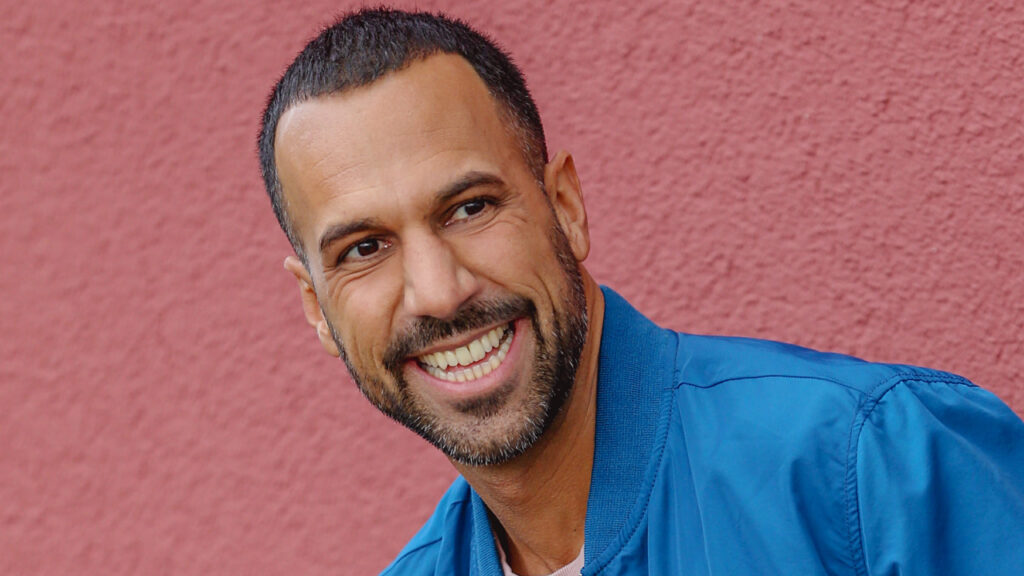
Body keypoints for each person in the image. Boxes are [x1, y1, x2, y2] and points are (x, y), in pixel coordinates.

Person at [257, 8, 1024, 576]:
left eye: (470, 208)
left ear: (566, 207)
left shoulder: (869, 466)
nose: (438, 291)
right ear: (317, 309)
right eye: (364, 249)